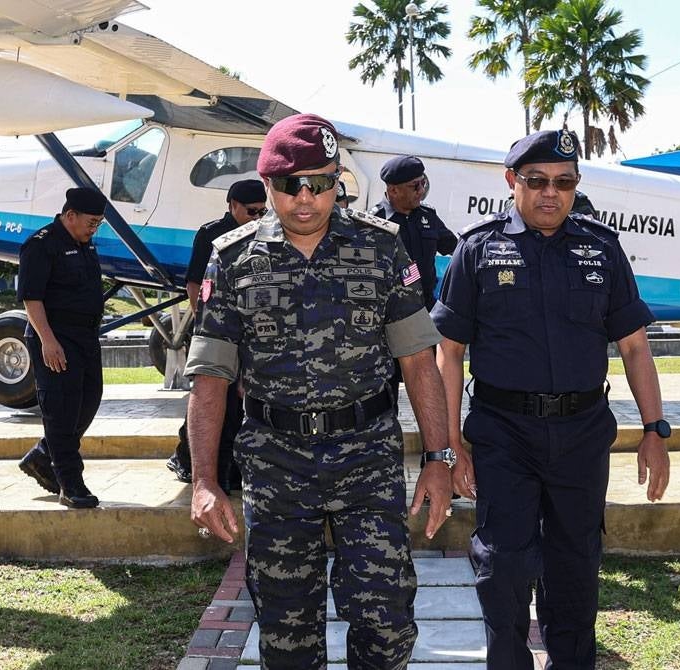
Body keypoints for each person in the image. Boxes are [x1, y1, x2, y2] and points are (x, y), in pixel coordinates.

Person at [185, 113, 454, 670]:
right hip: (276, 464)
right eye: (289, 185)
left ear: (338, 182)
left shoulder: (382, 249)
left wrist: (438, 458)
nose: (305, 198)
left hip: (368, 459)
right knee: (286, 634)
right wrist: (204, 481)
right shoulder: (233, 260)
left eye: (321, 183)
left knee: (387, 622)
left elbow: (419, 362)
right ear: (268, 185)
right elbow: (210, 378)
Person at [431, 129, 671, 669]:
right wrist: (449, 447)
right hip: (503, 433)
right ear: (512, 181)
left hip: (582, 434)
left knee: (575, 569)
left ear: (576, 186)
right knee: (505, 566)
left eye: (564, 183)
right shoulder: (478, 249)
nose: (550, 193)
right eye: (537, 181)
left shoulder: (601, 249)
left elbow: (634, 346)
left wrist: (655, 432)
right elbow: (448, 352)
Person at [166, 178, 267, 489]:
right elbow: (194, 284)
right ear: (232, 206)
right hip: (215, 331)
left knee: (239, 403)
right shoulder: (211, 234)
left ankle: (232, 470)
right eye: (251, 211)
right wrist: (207, 322)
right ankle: (189, 458)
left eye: (263, 211)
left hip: (250, 331)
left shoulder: (265, 232)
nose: (257, 217)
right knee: (210, 397)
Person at [16, 187, 109, 509]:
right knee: (61, 411)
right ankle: (71, 484)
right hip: (56, 337)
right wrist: (48, 341)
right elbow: (32, 298)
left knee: (89, 401)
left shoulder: (83, 244)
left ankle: (43, 456)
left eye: (98, 224)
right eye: (91, 222)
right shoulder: (42, 245)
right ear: (70, 215)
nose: (93, 229)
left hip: (85, 337)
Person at [372, 155, 458, 407]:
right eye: (414, 186)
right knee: (385, 395)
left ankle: (433, 445)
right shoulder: (375, 223)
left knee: (428, 391)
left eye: (423, 184)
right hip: (386, 323)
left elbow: (456, 249)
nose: (421, 191)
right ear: (393, 190)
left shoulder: (428, 217)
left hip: (424, 317)